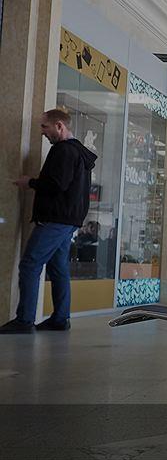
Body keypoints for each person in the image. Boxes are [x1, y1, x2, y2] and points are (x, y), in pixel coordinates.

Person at [1, 109, 97, 334]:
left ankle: (25, 320)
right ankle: (60, 318)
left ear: (59, 126)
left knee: (30, 264)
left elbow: (56, 184)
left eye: (45, 126)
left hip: (55, 219)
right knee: (58, 268)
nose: (42, 132)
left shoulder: (63, 151)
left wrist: (30, 182)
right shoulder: (78, 152)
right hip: (69, 220)